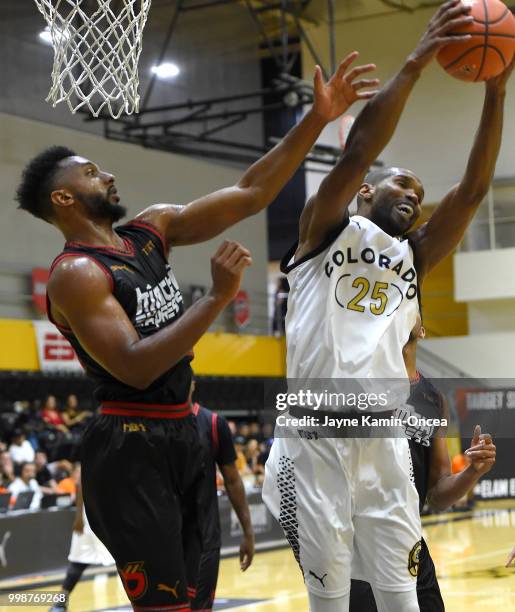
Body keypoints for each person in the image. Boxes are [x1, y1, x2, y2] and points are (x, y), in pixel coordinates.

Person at [16, 55, 376, 611]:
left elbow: (252, 193)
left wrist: (317, 117)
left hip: (186, 433)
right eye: (90, 173)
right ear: (62, 199)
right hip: (130, 445)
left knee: (198, 603)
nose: (107, 175)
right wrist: (215, 297)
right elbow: (135, 365)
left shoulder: (151, 229)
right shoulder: (78, 274)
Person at [263, 2, 512, 610]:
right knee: (333, 601)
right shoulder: (324, 229)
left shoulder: (414, 258)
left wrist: (496, 90)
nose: (416, 199)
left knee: (402, 598)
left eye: (421, 196)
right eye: (405, 186)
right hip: (315, 437)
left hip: (385, 443)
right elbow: (355, 154)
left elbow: (475, 189)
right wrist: (418, 60)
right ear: (370, 192)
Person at [349, 315, 497, 611]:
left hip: (410, 543)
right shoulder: (357, 387)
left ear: (422, 328)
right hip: (360, 551)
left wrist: (471, 472)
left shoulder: (433, 398)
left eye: (410, 304)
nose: (401, 308)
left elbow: (438, 493)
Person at [189, 382, 254, 611]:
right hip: (163, 539)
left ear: (192, 383)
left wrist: (248, 532)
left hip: (204, 538)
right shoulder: (154, 422)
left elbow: (233, 480)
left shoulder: (213, 423)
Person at [49, 467, 114, 612]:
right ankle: (60, 603)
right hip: (90, 518)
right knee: (78, 562)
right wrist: (78, 517)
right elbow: (79, 485)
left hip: (111, 516)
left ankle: (140, 599)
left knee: (126, 562)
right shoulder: (92, 456)